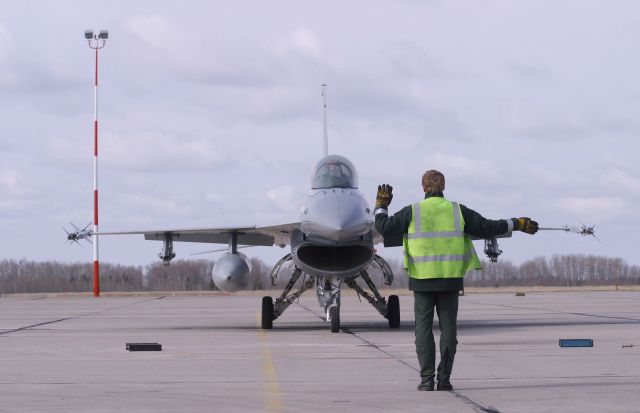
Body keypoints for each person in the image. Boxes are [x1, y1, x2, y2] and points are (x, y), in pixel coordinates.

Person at [374, 170, 538, 391]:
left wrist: (381, 205)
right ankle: (444, 380)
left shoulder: (412, 211)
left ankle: (426, 380)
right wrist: (516, 223)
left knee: (422, 330)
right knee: (448, 330)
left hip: (422, 280)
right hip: (450, 280)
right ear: (443, 186)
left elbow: (383, 227)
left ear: (423, 187)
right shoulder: (457, 210)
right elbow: (488, 227)